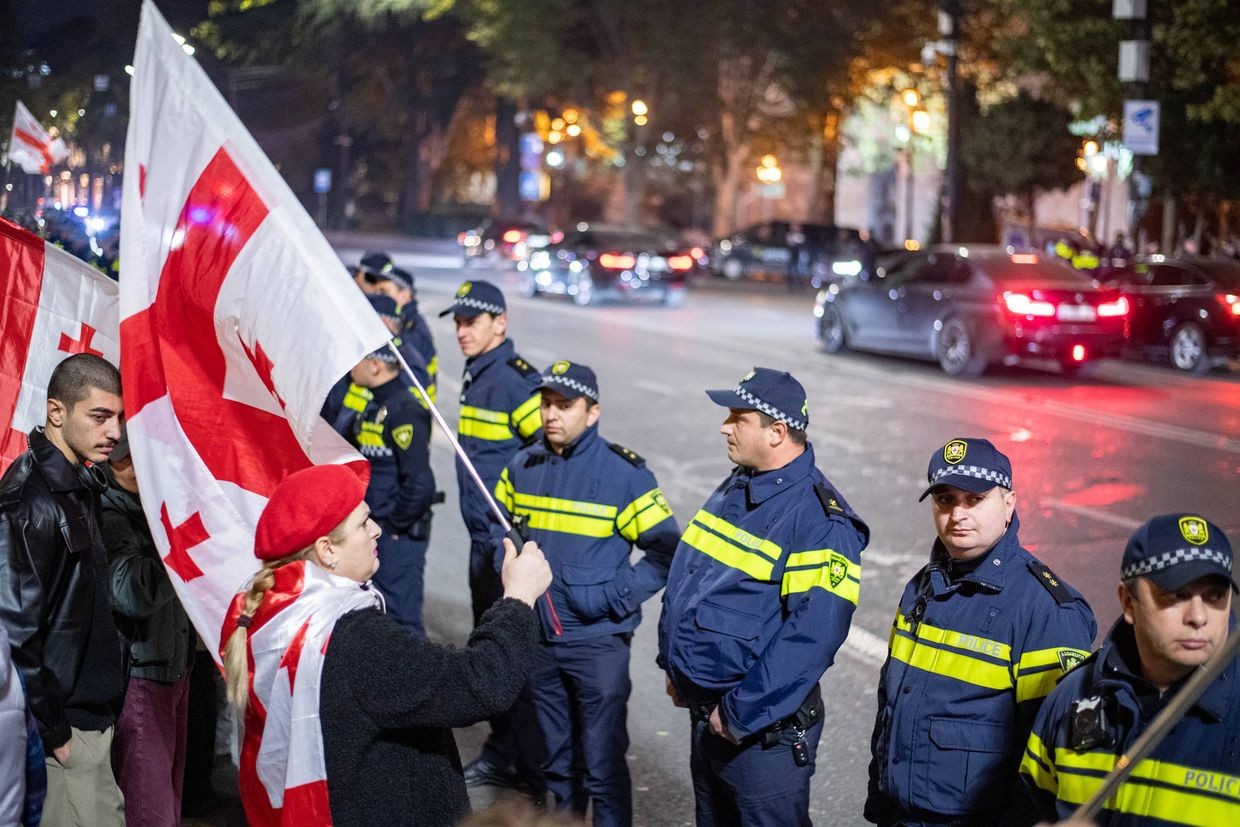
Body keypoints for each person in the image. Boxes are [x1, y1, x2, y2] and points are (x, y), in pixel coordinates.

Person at [219, 464, 552, 826]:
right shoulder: (352, 638)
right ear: (327, 550)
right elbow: (480, 684)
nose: (377, 529)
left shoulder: (278, 616)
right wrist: (518, 599)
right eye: (363, 523)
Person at [658, 367, 870, 826]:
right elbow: (689, 579)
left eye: (738, 416)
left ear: (777, 432)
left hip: (758, 736)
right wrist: (673, 666)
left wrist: (738, 714)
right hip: (709, 715)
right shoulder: (738, 485)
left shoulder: (821, 522)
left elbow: (811, 638)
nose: (724, 426)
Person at [865, 437, 1097, 826]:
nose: (958, 515)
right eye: (945, 500)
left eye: (974, 500)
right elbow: (892, 703)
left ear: (1008, 503)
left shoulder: (1045, 611)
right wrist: (880, 798)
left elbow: (1050, 759)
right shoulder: (922, 587)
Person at [493, 361, 680, 825]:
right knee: (556, 763)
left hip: (597, 644)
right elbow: (496, 532)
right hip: (539, 642)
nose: (551, 414)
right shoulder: (522, 467)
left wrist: (611, 597)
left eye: (565, 405)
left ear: (592, 413)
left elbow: (665, 552)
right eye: (546, 404)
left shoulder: (625, 476)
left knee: (603, 766)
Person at [1022, 514, 1237, 825]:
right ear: (1128, 602)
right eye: (1176, 596)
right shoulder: (1070, 699)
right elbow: (1030, 803)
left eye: (1215, 596)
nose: (1199, 617)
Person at [0, 353, 126, 826]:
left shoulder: (80, 482)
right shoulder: (29, 500)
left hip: (89, 718)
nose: (114, 431)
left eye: (118, 417)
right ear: (57, 412)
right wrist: (57, 734)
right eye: (99, 416)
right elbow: (14, 633)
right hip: (68, 729)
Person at [440, 279, 545, 791]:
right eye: (457, 322)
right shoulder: (479, 370)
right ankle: (506, 751)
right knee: (492, 644)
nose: (462, 331)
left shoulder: (512, 380)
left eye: (471, 321)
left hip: (503, 541)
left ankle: (523, 764)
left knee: (509, 652)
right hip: (483, 538)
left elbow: (544, 452)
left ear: (499, 323)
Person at [100, 427, 196, 827]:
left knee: (168, 805)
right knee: (148, 810)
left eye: (142, 454)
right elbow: (131, 593)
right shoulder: (108, 511)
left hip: (176, 672)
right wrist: (177, 542)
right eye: (125, 457)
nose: (136, 466)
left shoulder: (152, 505)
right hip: (142, 679)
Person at [340, 346, 436, 632]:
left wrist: (394, 527)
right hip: (379, 529)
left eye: (357, 359)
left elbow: (420, 483)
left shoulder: (404, 411)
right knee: (376, 614)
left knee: (401, 619)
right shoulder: (374, 406)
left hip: (397, 537)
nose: (351, 367)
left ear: (376, 365)